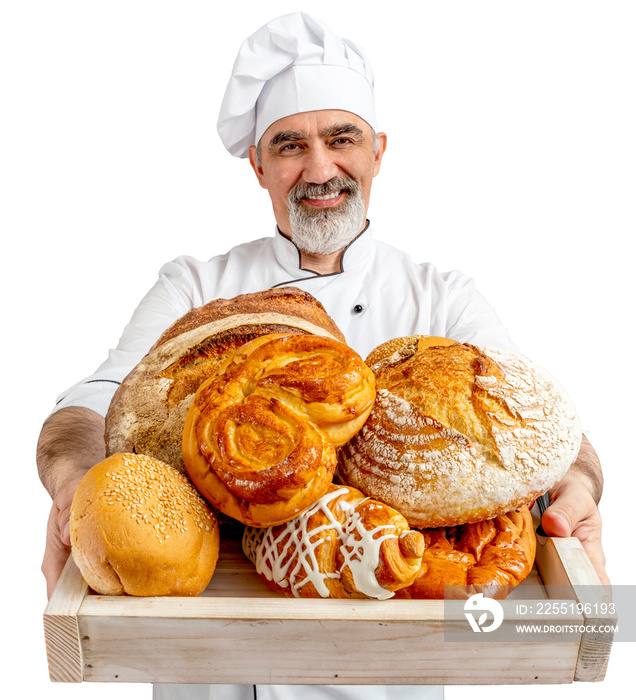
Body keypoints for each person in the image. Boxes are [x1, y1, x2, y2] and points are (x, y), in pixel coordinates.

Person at [37, 12, 608, 700]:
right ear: (258, 165)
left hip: (393, 675)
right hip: (209, 667)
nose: (319, 169)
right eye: (289, 145)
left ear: (378, 150)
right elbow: (91, 405)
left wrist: (578, 489)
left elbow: (536, 431)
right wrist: (73, 481)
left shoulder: (442, 298)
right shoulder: (193, 287)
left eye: (342, 138)